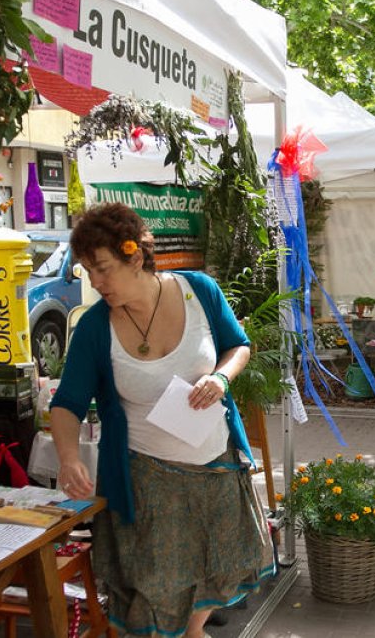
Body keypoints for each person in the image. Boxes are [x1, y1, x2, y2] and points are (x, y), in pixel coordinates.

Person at [49, 203, 271, 637]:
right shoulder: (96, 327)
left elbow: (238, 346)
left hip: (216, 468)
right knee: (155, 586)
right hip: (148, 481)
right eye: (86, 272)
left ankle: (194, 632)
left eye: (103, 269)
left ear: (135, 256)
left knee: (215, 566)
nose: (95, 282)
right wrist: (68, 457)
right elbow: (67, 402)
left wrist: (222, 379)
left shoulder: (200, 291)